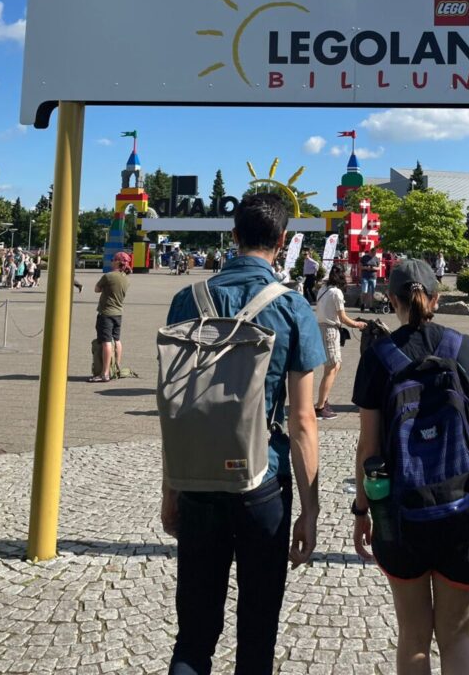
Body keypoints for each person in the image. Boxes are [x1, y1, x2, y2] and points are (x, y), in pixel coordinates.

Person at [161, 194, 325, 675]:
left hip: (196, 479)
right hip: (263, 482)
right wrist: (311, 511)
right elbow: (302, 422)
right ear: (282, 240)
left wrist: (171, 488)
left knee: (193, 633)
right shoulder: (293, 308)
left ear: (233, 236)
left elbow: (178, 408)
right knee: (257, 630)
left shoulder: (186, 300)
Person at [352, 259, 469, 675]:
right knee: (457, 637)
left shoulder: (378, 359)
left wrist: (362, 511)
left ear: (392, 300)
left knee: (414, 636)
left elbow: (368, 448)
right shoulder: (468, 348)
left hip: (402, 515)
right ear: (437, 298)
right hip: (464, 509)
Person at [314, 264, 365, 420]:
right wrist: (357, 324)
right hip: (330, 330)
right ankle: (320, 407)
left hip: (322, 328)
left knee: (334, 365)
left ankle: (324, 399)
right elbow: (342, 317)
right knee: (332, 367)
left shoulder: (323, 289)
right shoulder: (336, 293)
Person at [88, 251, 131, 383]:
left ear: (117, 262)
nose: (111, 261)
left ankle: (104, 373)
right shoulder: (126, 278)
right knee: (117, 340)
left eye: (113, 259)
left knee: (106, 341)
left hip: (106, 313)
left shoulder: (108, 276)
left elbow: (96, 289)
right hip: (118, 313)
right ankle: (116, 368)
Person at [359, 246, 381, 312]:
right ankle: (362, 304)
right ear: (370, 252)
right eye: (373, 253)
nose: (374, 254)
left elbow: (379, 268)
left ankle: (371, 306)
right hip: (365, 276)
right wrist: (366, 268)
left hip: (373, 277)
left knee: (372, 293)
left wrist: (373, 268)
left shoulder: (376, 259)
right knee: (364, 291)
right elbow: (359, 266)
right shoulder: (364, 258)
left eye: (375, 253)